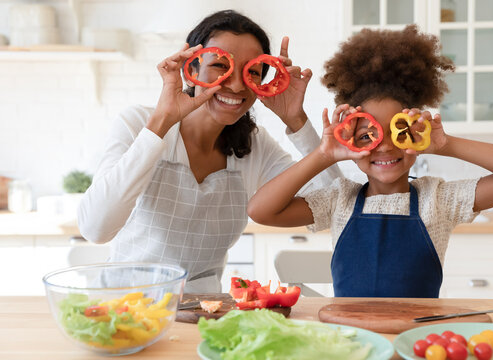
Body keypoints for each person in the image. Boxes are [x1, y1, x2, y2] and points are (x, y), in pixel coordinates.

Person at [247, 25, 493, 298]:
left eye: (400, 132)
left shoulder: (437, 200)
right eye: (367, 136)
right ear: (348, 144)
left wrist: (445, 144)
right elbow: (261, 211)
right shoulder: (339, 200)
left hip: (414, 340)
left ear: (417, 136)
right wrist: (323, 154)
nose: (385, 146)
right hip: (354, 343)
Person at [77, 10, 341, 293]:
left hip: (202, 314)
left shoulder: (255, 145)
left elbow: (335, 202)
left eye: (252, 72)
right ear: (191, 70)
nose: (237, 84)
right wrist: (161, 122)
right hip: (123, 308)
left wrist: (296, 121)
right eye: (220, 65)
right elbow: (95, 229)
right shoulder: (138, 124)